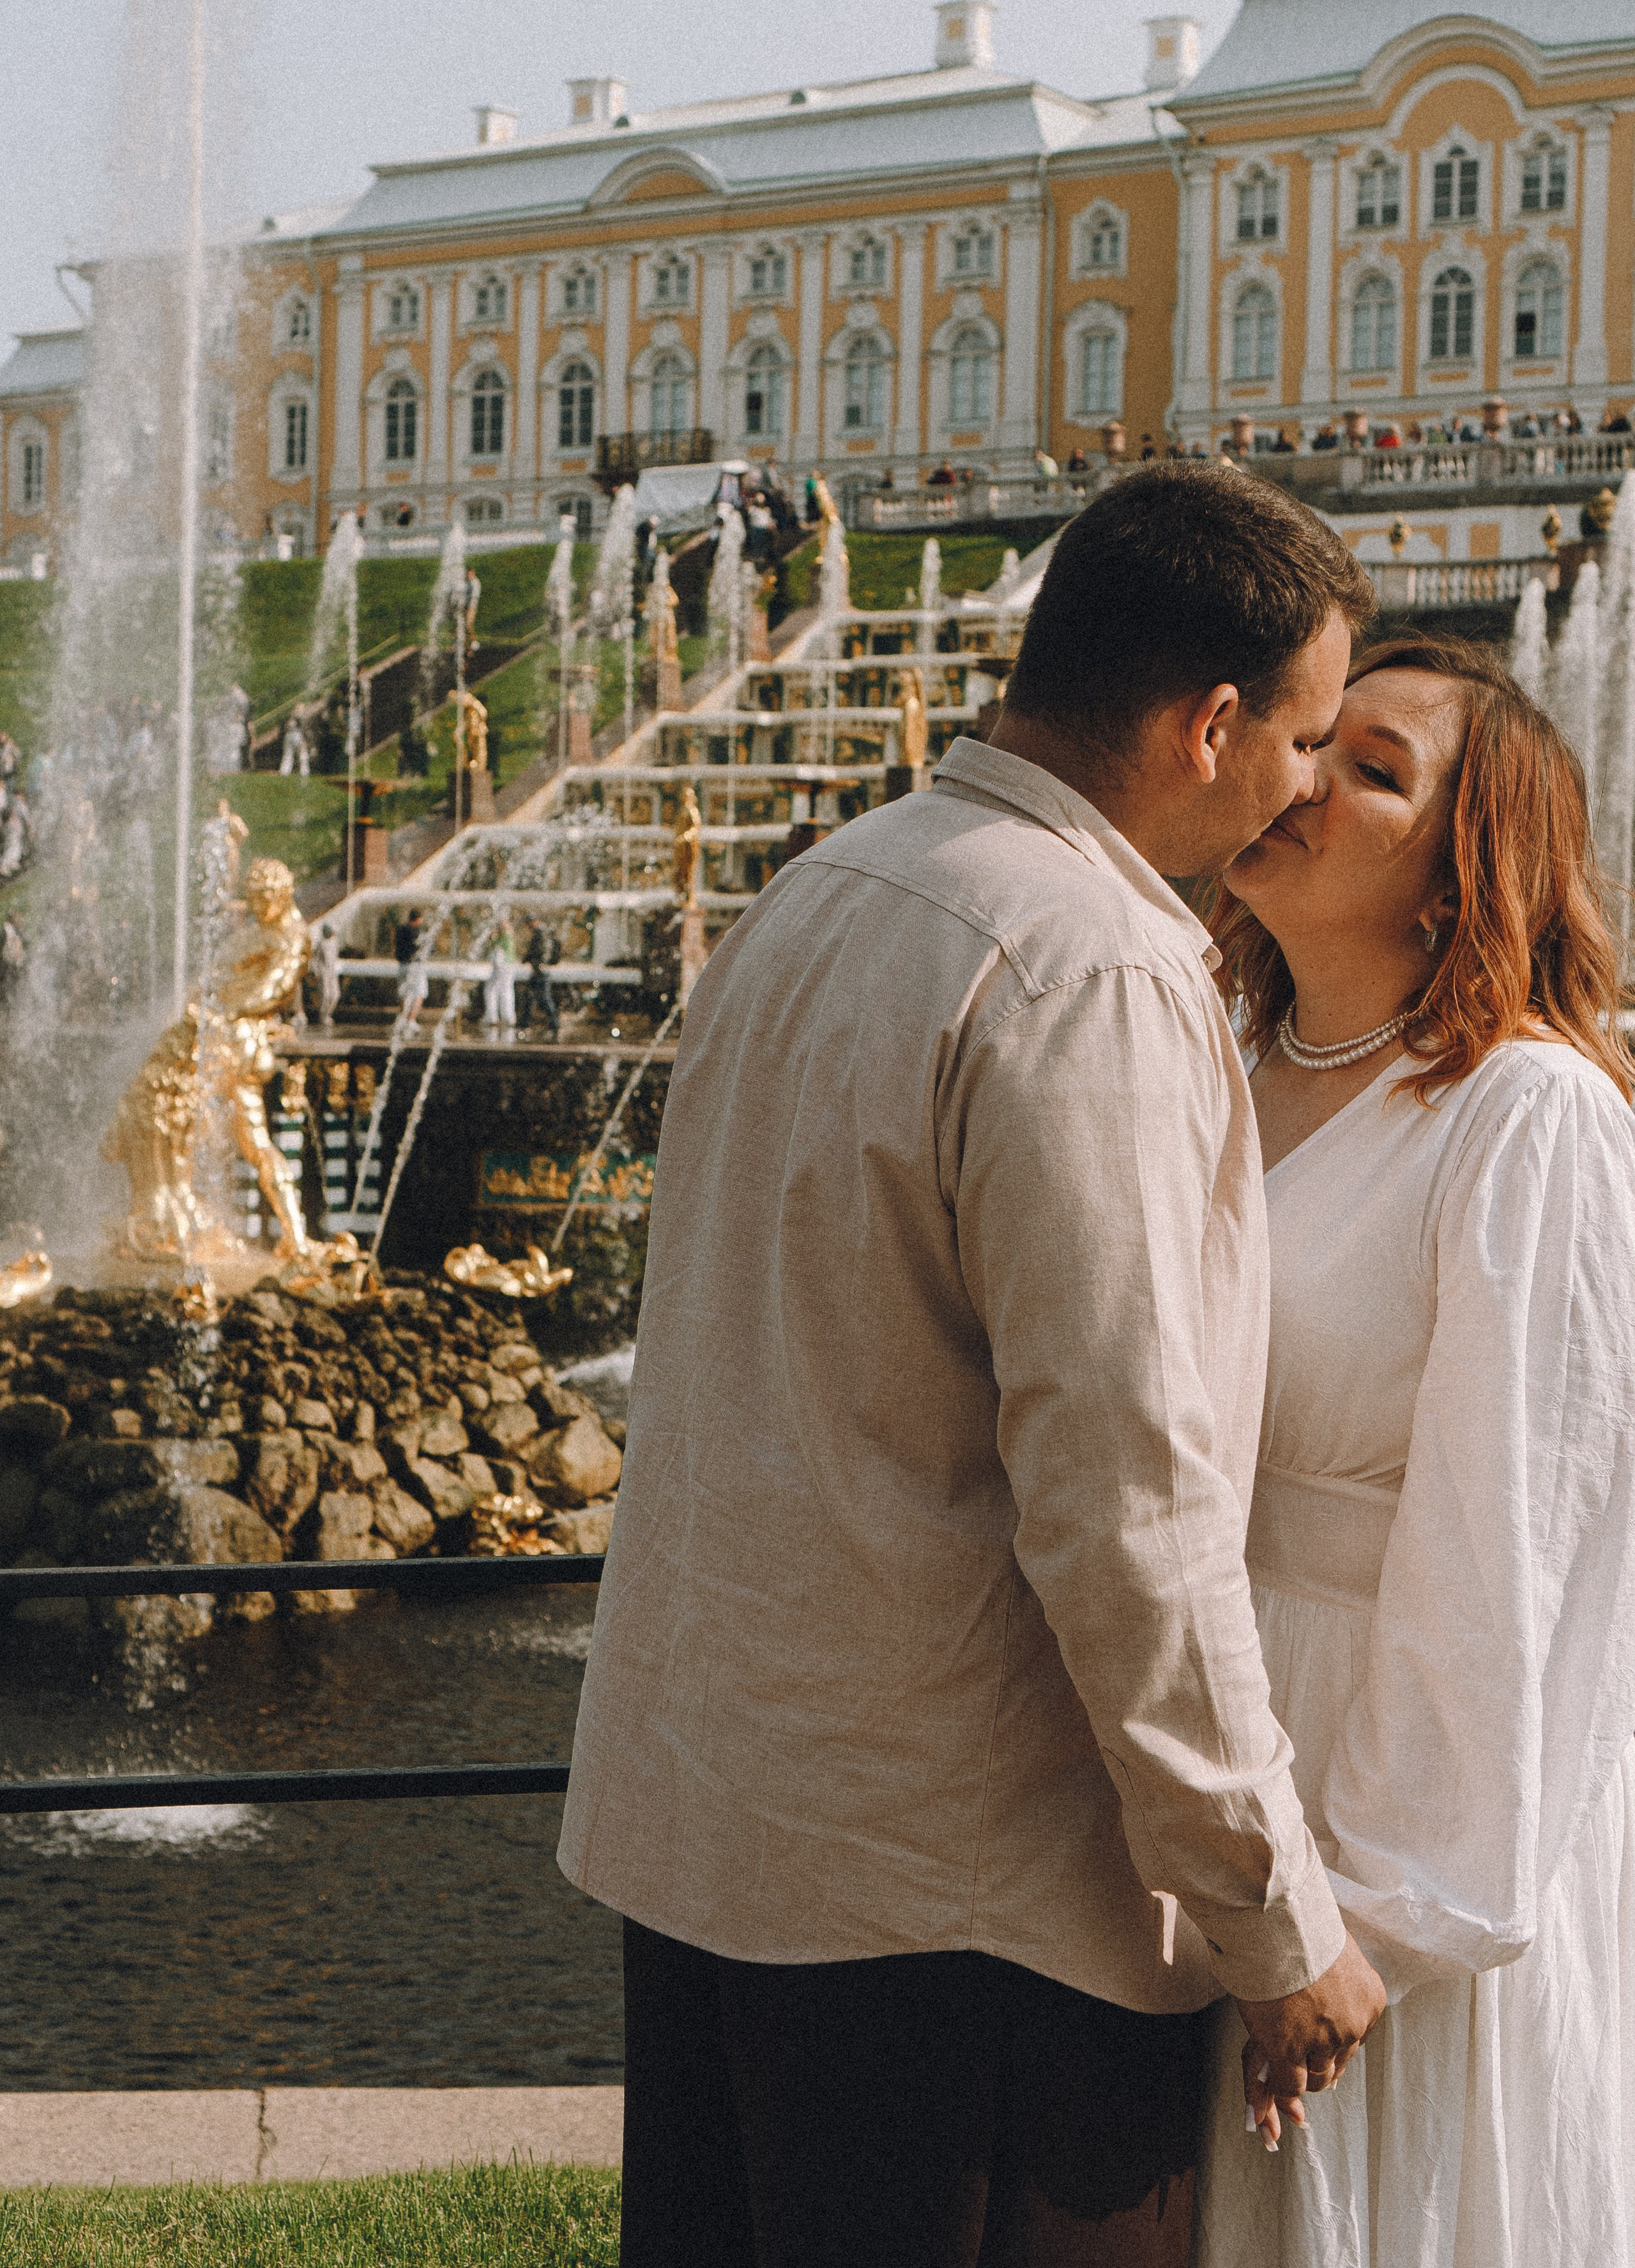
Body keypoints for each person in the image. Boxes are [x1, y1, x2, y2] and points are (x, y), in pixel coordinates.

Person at [559, 464, 1385, 2268]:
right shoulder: (1090, 967)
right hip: (963, 1916)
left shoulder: (821, 888)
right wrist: (1274, 1919)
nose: (1312, 782)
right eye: (1310, 737)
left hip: (724, 1845)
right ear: (1211, 722)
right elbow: (1128, 1506)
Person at [1193, 635, 1635, 2267]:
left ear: (1462, 872)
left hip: (1384, 1785)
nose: (1298, 776)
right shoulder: (1212, 1067)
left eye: (1368, 768)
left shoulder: (1526, 1117)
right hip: (1216, 1754)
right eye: (1310, 738)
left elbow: (1508, 1548)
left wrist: (1365, 1919)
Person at [519, 918, 561, 1037]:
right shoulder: (540, 932)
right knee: (530, 996)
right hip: (539, 970)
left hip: (541, 971)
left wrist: (532, 960)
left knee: (544, 998)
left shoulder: (541, 933)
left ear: (535, 922)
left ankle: (555, 1023)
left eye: (529, 923)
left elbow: (540, 951)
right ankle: (524, 1023)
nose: (528, 927)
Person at [395, 907, 428, 1016]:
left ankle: (404, 1017)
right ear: (418, 919)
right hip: (416, 966)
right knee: (420, 993)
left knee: (403, 993)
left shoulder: (400, 930)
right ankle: (411, 1019)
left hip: (403, 965)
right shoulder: (418, 932)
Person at [311, 920, 340, 1025]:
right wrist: (316, 971)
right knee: (326, 995)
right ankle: (324, 1016)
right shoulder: (321, 944)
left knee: (336, 995)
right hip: (324, 972)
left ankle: (329, 1014)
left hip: (333, 972)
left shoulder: (334, 942)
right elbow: (315, 959)